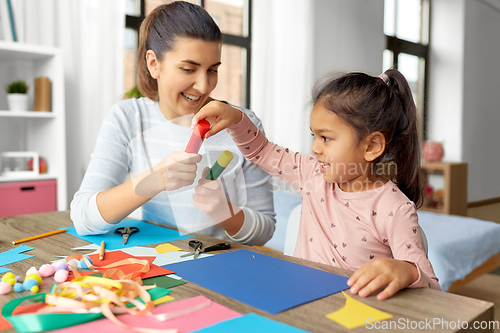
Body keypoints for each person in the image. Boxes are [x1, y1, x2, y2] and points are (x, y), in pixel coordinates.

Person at [191, 69, 441, 300]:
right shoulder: (312, 175)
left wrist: (407, 271)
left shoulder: (395, 208)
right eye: (314, 136)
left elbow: (432, 286)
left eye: (326, 138)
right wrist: (236, 118)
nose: (314, 148)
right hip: (299, 302)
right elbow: (262, 151)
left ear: (371, 146)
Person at [70, 1, 275, 245]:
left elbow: (265, 231)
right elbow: (82, 218)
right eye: (189, 69)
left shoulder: (243, 124)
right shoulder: (128, 117)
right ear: (154, 64)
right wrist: (154, 180)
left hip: (221, 262)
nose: (203, 86)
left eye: (212, 70)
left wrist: (223, 211)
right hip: (157, 260)